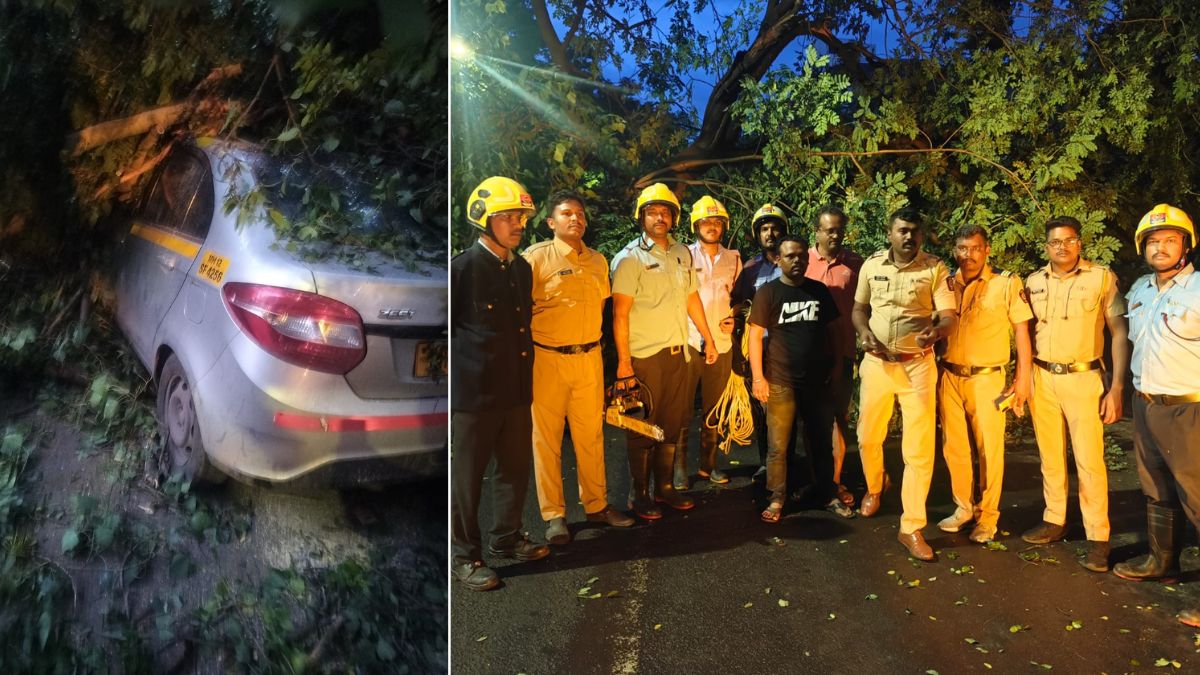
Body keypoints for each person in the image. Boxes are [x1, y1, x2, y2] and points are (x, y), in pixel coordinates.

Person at [451, 176, 549, 592]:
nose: (517, 224)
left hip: (515, 390)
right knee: (468, 479)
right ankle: (464, 556)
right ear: (484, 221)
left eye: (521, 217)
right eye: (507, 217)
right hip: (475, 394)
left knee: (514, 470)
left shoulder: (522, 268)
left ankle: (507, 538)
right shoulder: (462, 269)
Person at [524, 191, 634, 546]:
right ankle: (554, 516)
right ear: (551, 222)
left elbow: (603, 310)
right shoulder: (536, 260)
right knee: (547, 441)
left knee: (592, 437)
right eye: (567, 213)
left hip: (589, 359)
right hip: (547, 359)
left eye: (580, 213)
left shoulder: (599, 262)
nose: (576, 219)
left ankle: (597, 505)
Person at [1022, 215, 1129, 573]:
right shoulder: (1034, 281)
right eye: (1055, 242)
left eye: (1069, 240)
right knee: (1049, 456)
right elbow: (1025, 333)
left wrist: (1115, 387)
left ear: (1079, 243)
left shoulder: (1101, 278)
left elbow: (1118, 332)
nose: (1062, 247)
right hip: (1042, 375)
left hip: (1084, 378)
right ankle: (1055, 519)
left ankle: (1099, 537)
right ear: (1046, 246)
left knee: (1089, 461)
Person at [1112, 204, 1200, 628]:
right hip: (1146, 405)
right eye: (1153, 241)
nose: (1160, 247)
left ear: (1186, 245)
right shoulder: (1140, 289)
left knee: (1198, 499)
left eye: (1170, 240)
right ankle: (1162, 561)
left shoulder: (1199, 289)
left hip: (1189, 409)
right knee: (1156, 488)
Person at [852, 207, 957, 561]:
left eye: (914, 231)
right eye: (902, 230)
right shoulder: (871, 265)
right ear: (890, 232)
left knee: (919, 448)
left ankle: (911, 525)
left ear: (921, 236)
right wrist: (864, 332)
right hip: (878, 364)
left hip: (918, 367)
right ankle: (874, 485)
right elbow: (858, 309)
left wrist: (938, 330)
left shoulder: (934, 268)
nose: (908, 237)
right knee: (868, 435)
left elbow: (948, 314)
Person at [611, 183, 718, 520]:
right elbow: (620, 314)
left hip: (680, 353)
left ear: (674, 218)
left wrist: (708, 338)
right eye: (652, 212)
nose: (659, 217)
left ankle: (665, 488)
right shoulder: (630, 258)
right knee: (643, 427)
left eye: (665, 212)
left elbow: (691, 298)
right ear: (641, 217)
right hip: (645, 357)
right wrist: (624, 364)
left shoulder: (681, 253)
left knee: (672, 424)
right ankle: (640, 494)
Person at [936, 225, 1033, 544]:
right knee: (955, 449)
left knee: (989, 451)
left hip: (987, 378)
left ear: (987, 249)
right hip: (949, 375)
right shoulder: (946, 282)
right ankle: (963, 507)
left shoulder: (1005, 282)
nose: (968, 255)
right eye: (962, 248)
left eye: (975, 248)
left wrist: (1022, 378)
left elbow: (1022, 330)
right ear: (955, 250)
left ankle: (988, 518)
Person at [748, 235, 855, 522]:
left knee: (820, 441)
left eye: (801, 256)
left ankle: (827, 493)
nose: (797, 260)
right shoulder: (768, 293)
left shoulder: (819, 291)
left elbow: (835, 331)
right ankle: (776, 497)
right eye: (790, 256)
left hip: (817, 383)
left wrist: (835, 370)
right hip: (781, 381)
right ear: (779, 260)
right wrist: (758, 377)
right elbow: (755, 335)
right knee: (778, 445)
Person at [676, 195, 741, 488]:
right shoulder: (684, 256)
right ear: (696, 225)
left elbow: (739, 299)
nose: (711, 226)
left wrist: (736, 318)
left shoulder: (734, 258)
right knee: (683, 409)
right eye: (706, 221)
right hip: (690, 342)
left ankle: (708, 466)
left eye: (716, 222)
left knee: (714, 409)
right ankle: (679, 469)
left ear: (723, 226)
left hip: (723, 344)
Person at [804, 205, 864, 506]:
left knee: (839, 418)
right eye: (829, 230)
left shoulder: (855, 264)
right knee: (811, 420)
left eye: (840, 229)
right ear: (817, 231)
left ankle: (836, 481)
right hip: (808, 356)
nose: (835, 235)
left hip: (843, 352)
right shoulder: (802, 261)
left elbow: (865, 308)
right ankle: (816, 482)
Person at [731, 204, 789, 480]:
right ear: (757, 234)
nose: (770, 232)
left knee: (789, 409)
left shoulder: (795, 261)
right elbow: (738, 304)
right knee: (763, 409)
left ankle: (787, 461)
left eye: (775, 227)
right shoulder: (751, 267)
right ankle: (767, 461)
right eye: (764, 228)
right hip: (761, 349)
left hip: (789, 349)